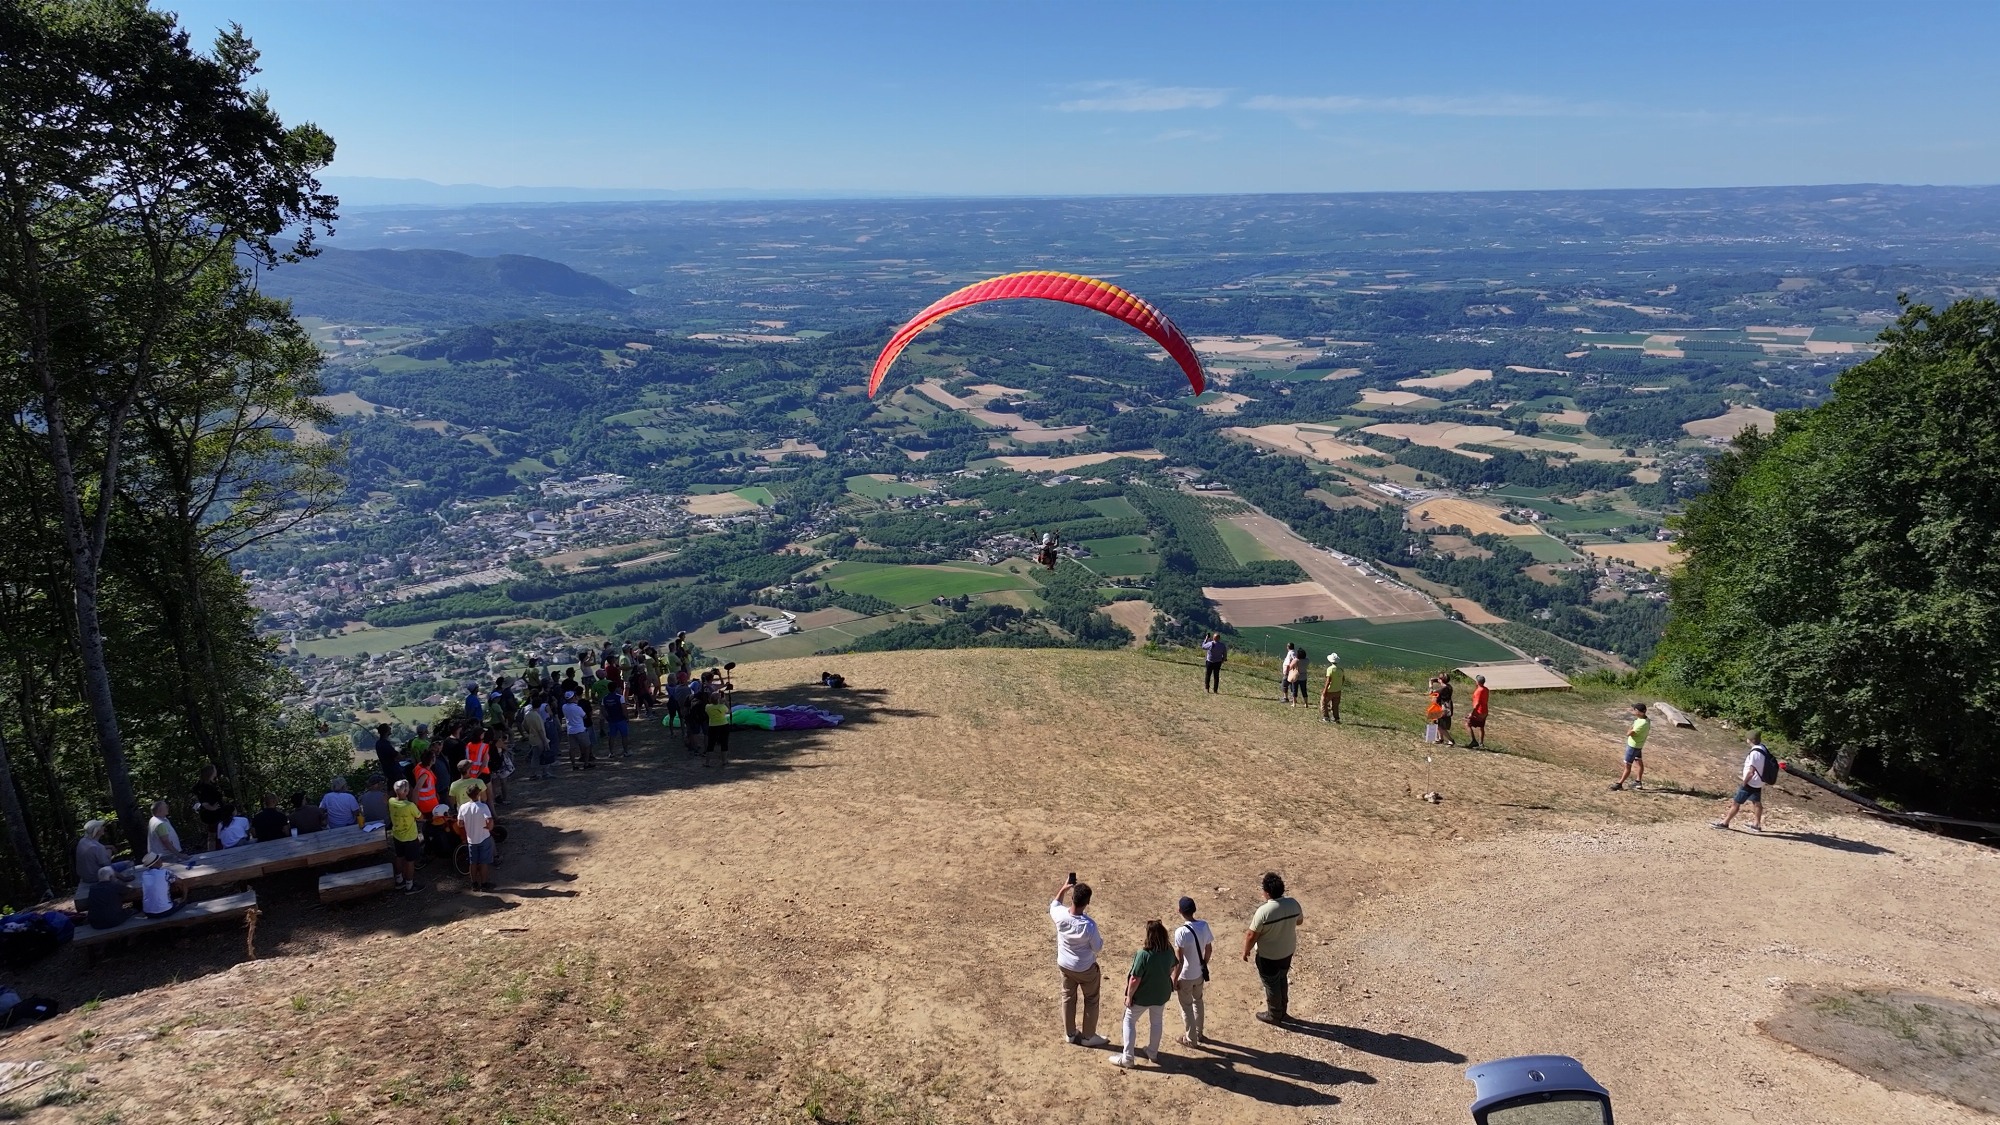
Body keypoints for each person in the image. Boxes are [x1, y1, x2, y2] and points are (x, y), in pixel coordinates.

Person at [1107, 919, 1177, 1068]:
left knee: (1129, 1021)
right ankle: (1153, 1052)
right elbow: (1172, 967)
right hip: (1161, 994)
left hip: (1142, 996)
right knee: (1156, 1022)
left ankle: (1128, 1058)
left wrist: (1129, 996)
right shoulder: (1169, 951)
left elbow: (1134, 979)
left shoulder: (1143, 954)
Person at [1050, 877, 1109, 1048]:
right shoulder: (1089, 926)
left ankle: (1070, 1033)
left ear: (1073, 897)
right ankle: (1088, 1036)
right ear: (1087, 902)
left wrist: (1063, 888)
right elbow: (1097, 948)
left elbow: (1055, 904)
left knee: (1068, 997)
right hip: (1085, 968)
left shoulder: (1060, 916)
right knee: (1091, 999)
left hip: (1065, 965)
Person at [1243, 871, 1303, 1025]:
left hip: (1268, 956)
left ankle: (1275, 1015)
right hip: (1287, 951)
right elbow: (1299, 922)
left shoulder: (1263, 911)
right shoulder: (1293, 904)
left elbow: (1251, 935)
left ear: (1267, 892)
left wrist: (1246, 950)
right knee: (1282, 979)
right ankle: (1283, 1010)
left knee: (1271, 984)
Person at [1172, 896, 1214, 1047]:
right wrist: (1203, 964)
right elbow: (1208, 949)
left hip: (1186, 975)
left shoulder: (1181, 932)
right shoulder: (1204, 926)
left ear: (1180, 911)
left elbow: (1180, 960)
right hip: (1199, 973)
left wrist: (1174, 979)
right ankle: (1199, 1033)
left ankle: (1191, 1039)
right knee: (1198, 1001)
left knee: (1186, 1006)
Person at [1714, 732, 1773, 832]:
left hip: (1751, 782)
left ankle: (1725, 822)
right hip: (1759, 781)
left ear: (1751, 740)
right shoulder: (1763, 748)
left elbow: (1751, 772)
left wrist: (1744, 783)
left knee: (1736, 803)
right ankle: (1757, 825)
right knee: (1756, 802)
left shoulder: (1755, 753)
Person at [74, 820, 134, 899]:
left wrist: (109, 847)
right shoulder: (99, 848)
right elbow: (108, 867)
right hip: (96, 877)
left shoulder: (83, 841)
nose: (103, 828)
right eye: (101, 827)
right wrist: (109, 853)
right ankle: (127, 886)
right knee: (130, 863)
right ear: (97, 831)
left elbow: (93, 849)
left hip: (86, 877)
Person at [458, 781, 496, 892]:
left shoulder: (463, 807)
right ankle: (484, 884)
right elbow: (489, 820)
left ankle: (474, 884)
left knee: (473, 862)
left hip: (471, 839)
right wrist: (489, 827)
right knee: (484, 862)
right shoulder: (483, 806)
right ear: (478, 794)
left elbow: (460, 823)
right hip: (483, 837)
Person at [387, 779, 424, 893]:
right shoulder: (410, 805)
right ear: (406, 791)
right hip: (410, 838)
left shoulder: (391, 801)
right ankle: (409, 885)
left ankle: (399, 880)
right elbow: (420, 817)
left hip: (397, 835)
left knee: (399, 857)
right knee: (410, 861)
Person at [1611, 703, 1650, 791]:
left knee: (1627, 765)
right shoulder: (1646, 720)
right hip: (1639, 746)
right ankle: (1638, 781)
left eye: (1634, 710)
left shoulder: (1641, 723)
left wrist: (1630, 729)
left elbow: (1628, 733)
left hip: (1633, 746)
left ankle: (1619, 784)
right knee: (1639, 762)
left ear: (1638, 711)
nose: (1633, 711)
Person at [190, 764, 226, 851]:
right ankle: (216, 853)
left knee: (213, 834)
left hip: (212, 814)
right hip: (213, 815)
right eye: (214, 770)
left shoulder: (206, 784)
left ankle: (215, 851)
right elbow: (204, 802)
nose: (216, 771)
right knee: (215, 835)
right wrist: (212, 808)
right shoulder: (206, 787)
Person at [522, 695, 552, 779]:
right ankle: (544, 773)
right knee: (544, 755)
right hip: (539, 739)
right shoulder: (537, 716)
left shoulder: (528, 714)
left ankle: (534, 773)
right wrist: (545, 742)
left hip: (533, 738)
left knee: (535, 756)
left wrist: (529, 732)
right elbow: (540, 730)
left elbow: (523, 724)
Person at [703, 689, 732, 768]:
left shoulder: (707, 707)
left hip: (713, 726)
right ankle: (724, 761)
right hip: (723, 725)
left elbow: (709, 705)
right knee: (724, 743)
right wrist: (725, 701)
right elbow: (729, 711)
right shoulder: (722, 707)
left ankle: (707, 762)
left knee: (711, 744)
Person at [562, 691, 591, 770]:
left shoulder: (564, 707)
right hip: (580, 729)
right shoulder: (577, 708)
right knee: (587, 746)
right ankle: (586, 763)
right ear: (573, 697)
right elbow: (585, 716)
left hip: (570, 730)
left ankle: (573, 765)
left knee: (572, 748)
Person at [603, 682, 631, 758]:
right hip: (621, 719)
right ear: (615, 688)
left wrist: (607, 718)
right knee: (624, 736)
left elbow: (603, 710)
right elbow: (624, 708)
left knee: (612, 737)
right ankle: (626, 751)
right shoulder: (620, 697)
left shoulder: (605, 698)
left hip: (611, 720)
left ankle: (611, 752)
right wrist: (627, 717)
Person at [1467, 673, 1491, 749]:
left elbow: (1477, 704)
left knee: (1467, 723)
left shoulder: (1478, 691)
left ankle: (1474, 741)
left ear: (1478, 682)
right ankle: (1481, 743)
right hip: (1485, 711)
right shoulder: (1486, 689)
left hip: (1479, 711)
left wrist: (1472, 713)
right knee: (1481, 726)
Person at [1435, 671, 1457, 747]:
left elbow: (1431, 693)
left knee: (1441, 726)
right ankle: (1440, 738)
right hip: (1447, 707)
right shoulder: (1449, 687)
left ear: (1441, 680)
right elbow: (1444, 686)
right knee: (1437, 723)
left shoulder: (1441, 690)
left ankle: (1451, 740)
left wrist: (1430, 684)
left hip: (1442, 708)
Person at [1320, 653, 1343, 724]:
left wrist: (1325, 690)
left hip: (1330, 690)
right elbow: (1343, 679)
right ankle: (1336, 718)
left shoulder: (1330, 669)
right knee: (1335, 705)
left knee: (1324, 703)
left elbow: (1328, 680)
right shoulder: (1340, 670)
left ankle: (1326, 717)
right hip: (1338, 690)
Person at [1423, 676, 1443, 743]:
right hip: (1437, 705)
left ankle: (1438, 738)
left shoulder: (1442, 689)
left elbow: (1431, 692)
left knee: (1435, 722)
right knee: (1436, 722)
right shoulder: (1446, 687)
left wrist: (1431, 684)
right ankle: (1439, 737)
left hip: (1437, 706)